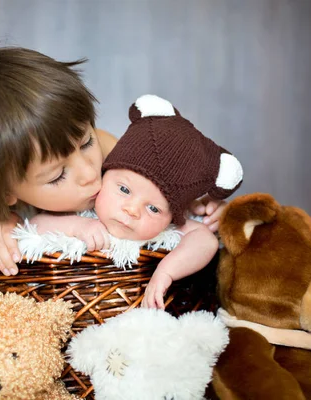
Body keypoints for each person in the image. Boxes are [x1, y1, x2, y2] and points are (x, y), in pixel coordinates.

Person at [0, 41, 227, 275]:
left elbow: (155, 182)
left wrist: (196, 199)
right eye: (57, 176)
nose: (89, 173)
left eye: (85, 142)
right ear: (6, 193)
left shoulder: (109, 150)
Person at [31, 94, 244, 308]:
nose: (132, 210)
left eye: (153, 208)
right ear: (105, 174)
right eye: (124, 189)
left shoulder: (166, 226)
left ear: (173, 215)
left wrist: (167, 271)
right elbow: (33, 226)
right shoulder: (84, 200)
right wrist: (78, 226)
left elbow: (205, 240)